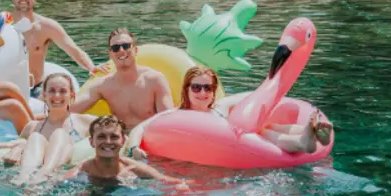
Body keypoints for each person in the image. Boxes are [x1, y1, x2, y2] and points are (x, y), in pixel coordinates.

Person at [131, 67, 334, 158]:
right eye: (196, 87)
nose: (202, 93)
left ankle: (308, 133)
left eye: (207, 88)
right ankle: (302, 139)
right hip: (232, 152)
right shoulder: (176, 115)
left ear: (214, 91)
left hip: (244, 148)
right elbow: (142, 127)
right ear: (186, 89)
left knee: (264, 127)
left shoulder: (222, 108)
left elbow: (260, 99)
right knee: (259, 132)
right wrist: (132, 148)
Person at [0, 0, 96, 97]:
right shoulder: (1, 28)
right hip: (6, 89)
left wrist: (92, 68)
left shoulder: (46, 27)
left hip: (35, 89)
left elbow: (73, 50)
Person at [72, 28, 173, 132]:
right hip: (119, 140)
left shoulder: (154, 80)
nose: (121, 50)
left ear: (135, 50)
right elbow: (70, 110)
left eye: (126, 46)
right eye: (115, 48)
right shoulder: (103, 85)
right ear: (110, 54)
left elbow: (168, 121)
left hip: (148, 137)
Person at [2, 73, 96, 183]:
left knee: (60, 134)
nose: (57, 95)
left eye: (63, 91)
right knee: (36, 137)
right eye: (52, 91)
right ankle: (26, 182)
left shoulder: (86, 122)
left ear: (72, 96)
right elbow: (18, 143)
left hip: (63, 179)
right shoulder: (32, 127)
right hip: (32, 177)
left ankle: (39, 181)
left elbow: (114, 132)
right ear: (44, 95)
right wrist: (18, 148)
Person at [66, 115, 188, 186]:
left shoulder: (133, 168)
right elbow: (58, 183)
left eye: (114, 137)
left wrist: (185, 186)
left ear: (123, 141)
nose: (108, 142)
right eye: (101, 137)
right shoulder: (83, 169)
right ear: (92, 142)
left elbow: (166, 180)